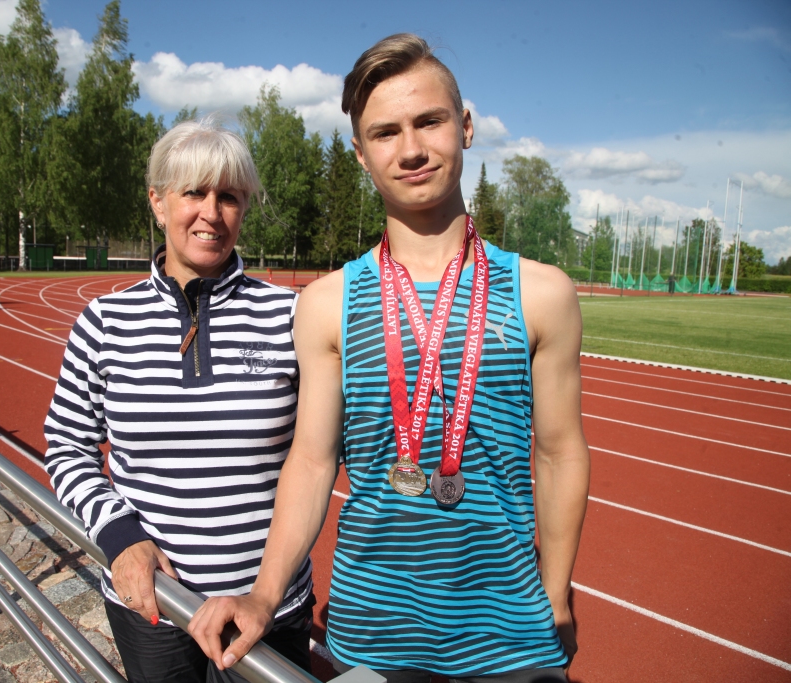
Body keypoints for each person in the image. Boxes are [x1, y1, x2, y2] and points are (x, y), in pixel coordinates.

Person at [188, 34, 590, 683]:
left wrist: (558, 590)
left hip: (514, 635)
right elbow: (313, 459)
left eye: (428, 121)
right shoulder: (326, 304)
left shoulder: (543, 294)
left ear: (464, 126)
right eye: (385, 133)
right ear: (360, 154)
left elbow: (560, 451)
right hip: (372, 635)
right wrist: (264, 593)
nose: (410, 149)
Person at [44, 117, 314, 683]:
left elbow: (321, 453)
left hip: (268, 611)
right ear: (158, 201)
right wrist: (119, 538)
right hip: (155, 608)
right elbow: (66, 447)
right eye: (193, 192)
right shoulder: (104, 323)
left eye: (230, 197)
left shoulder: (291, 316)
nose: (211, 214)